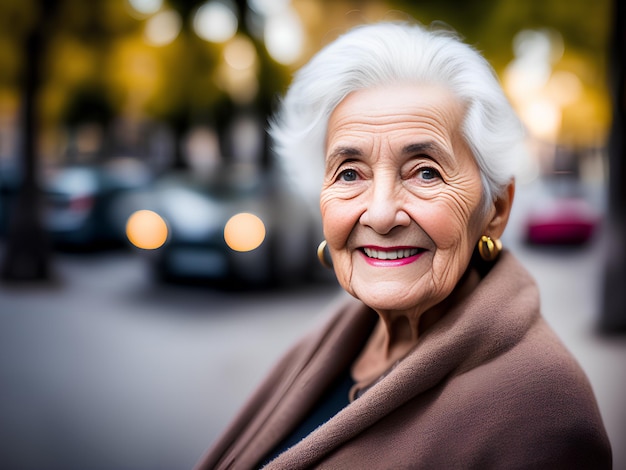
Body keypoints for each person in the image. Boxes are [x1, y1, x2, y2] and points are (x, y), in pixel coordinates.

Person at [195, 21, 611, 469]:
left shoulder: (543, 412)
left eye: (425, 172)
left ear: (496, 209)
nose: (379, 214)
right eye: (350, 173)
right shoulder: (342, 333)